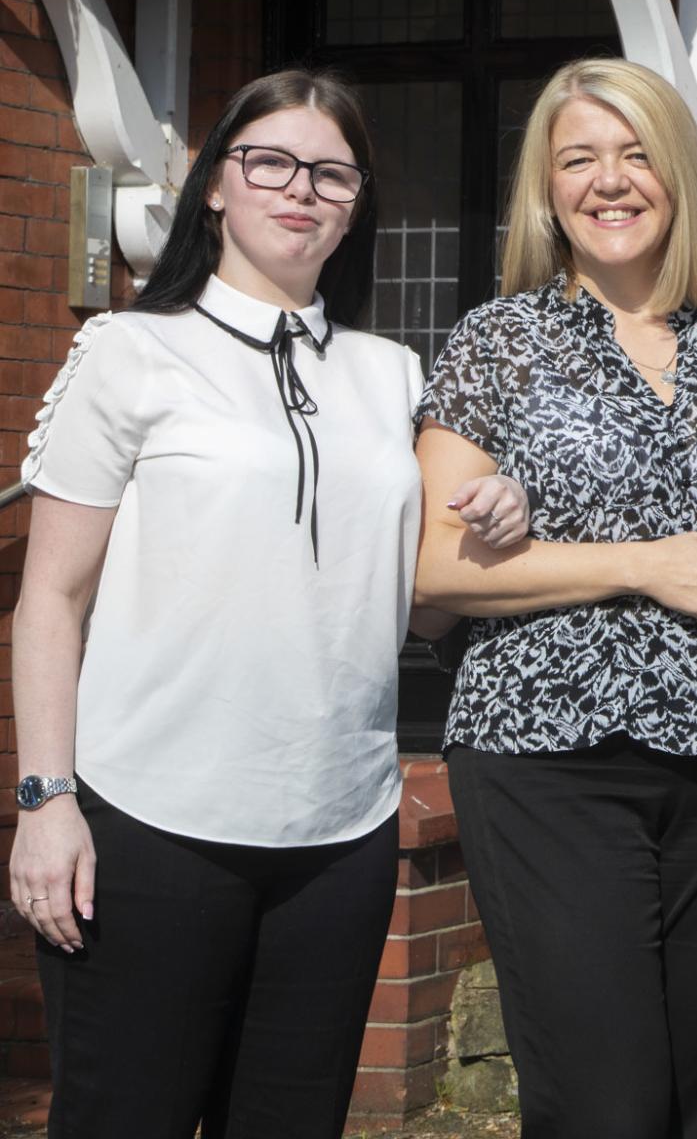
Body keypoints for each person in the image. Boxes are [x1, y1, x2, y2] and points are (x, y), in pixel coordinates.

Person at [10, 70, 525, 1138]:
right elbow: (51, 598)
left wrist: (492, 519)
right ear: (214, 188)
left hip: (336, 830)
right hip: (149, 818)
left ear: (357, 202)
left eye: (332, 172)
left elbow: (413, 610)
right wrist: (45, 799)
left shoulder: (389, 374)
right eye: (271, 162)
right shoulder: (131, 351)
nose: (302, 190)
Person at [411, 57, 697, 1139]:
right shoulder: (497, 341)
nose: (609, 182)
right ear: (549, 188)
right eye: (579, 160)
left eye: (636, 154)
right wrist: (639, 560)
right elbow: (432, 568)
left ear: (679, 175)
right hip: (549, 755)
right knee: (603, 1101)